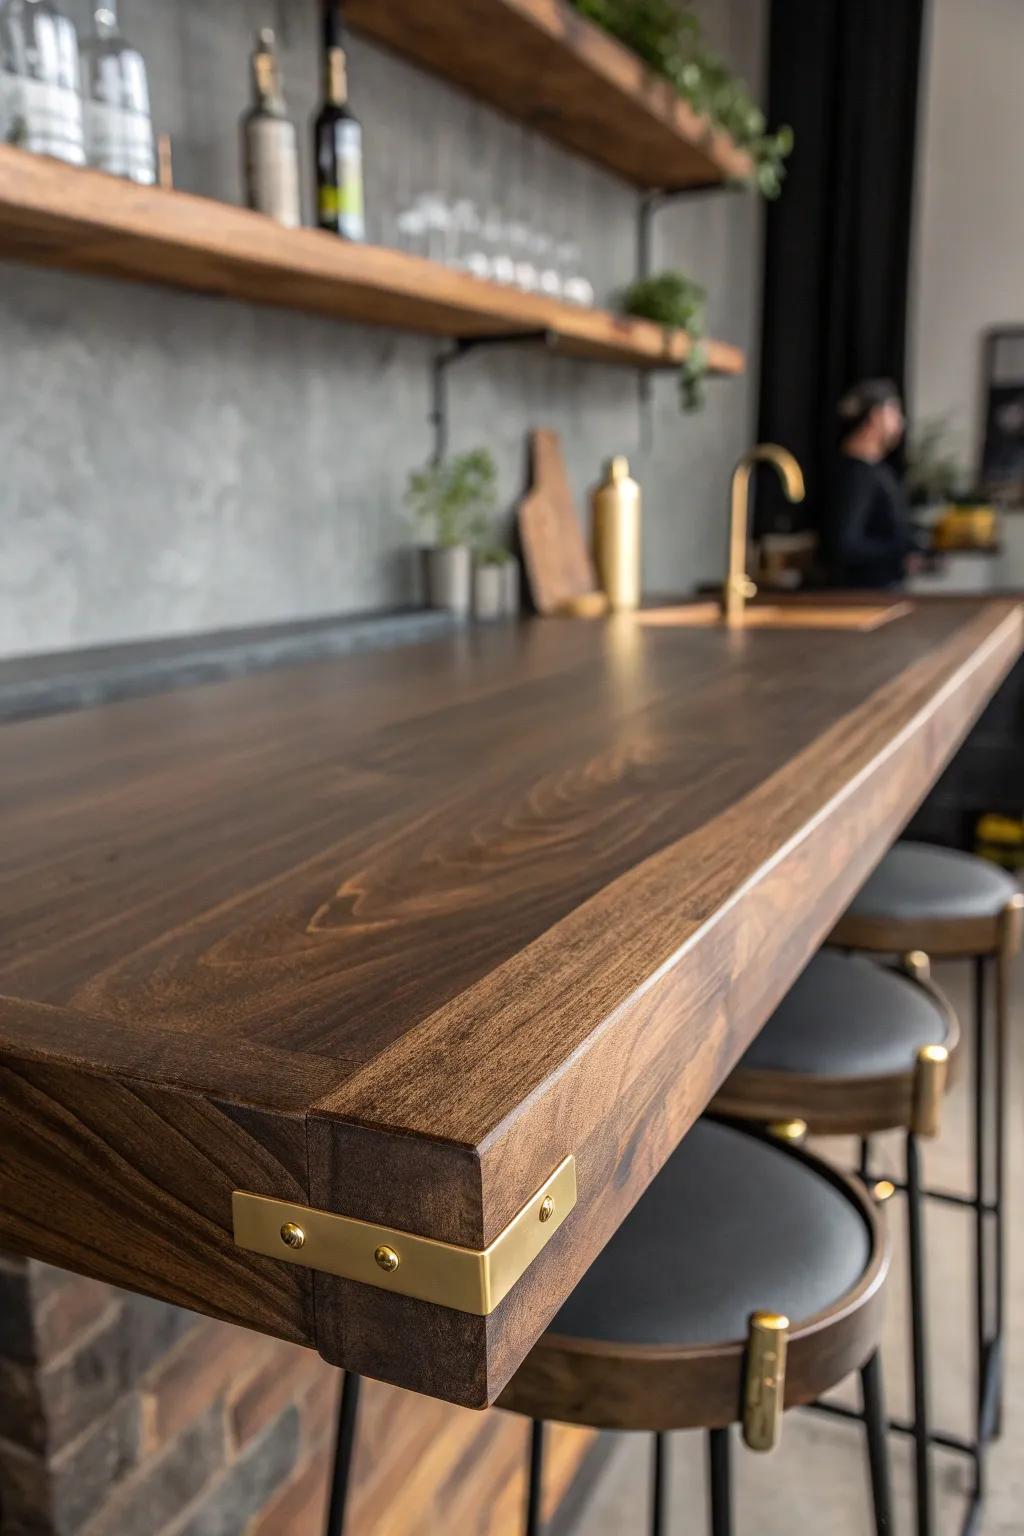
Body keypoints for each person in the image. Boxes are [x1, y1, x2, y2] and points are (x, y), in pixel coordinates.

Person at [825, 378, 921, 588]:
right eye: (894, 412)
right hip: (863, 596)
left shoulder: (876, 470)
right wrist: (900, 554)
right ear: (876, 416)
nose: (900, 422)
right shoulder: (856, 476)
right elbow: (845, 545)